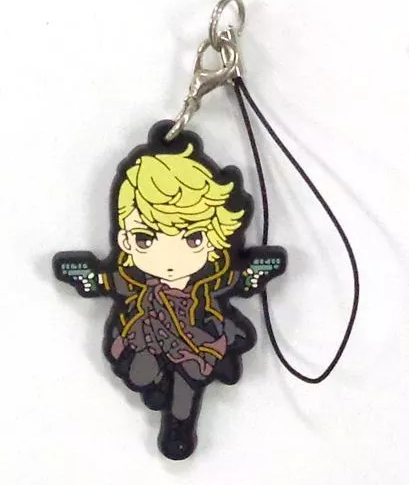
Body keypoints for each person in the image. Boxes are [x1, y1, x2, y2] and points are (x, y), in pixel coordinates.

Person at [54, 135, 286, 460]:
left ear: (216, 241)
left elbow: (239, 275)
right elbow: (105, 279)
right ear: (125, 240)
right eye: (146, 238)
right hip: (146, 341)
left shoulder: (211, 283)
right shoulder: (131, 281)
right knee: (142, 372)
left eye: (193, 239)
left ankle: (179, 427)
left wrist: (258, 268)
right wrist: (88, 274)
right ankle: (157, 386)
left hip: (196, 342)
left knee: (188, 381)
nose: (170, 256)